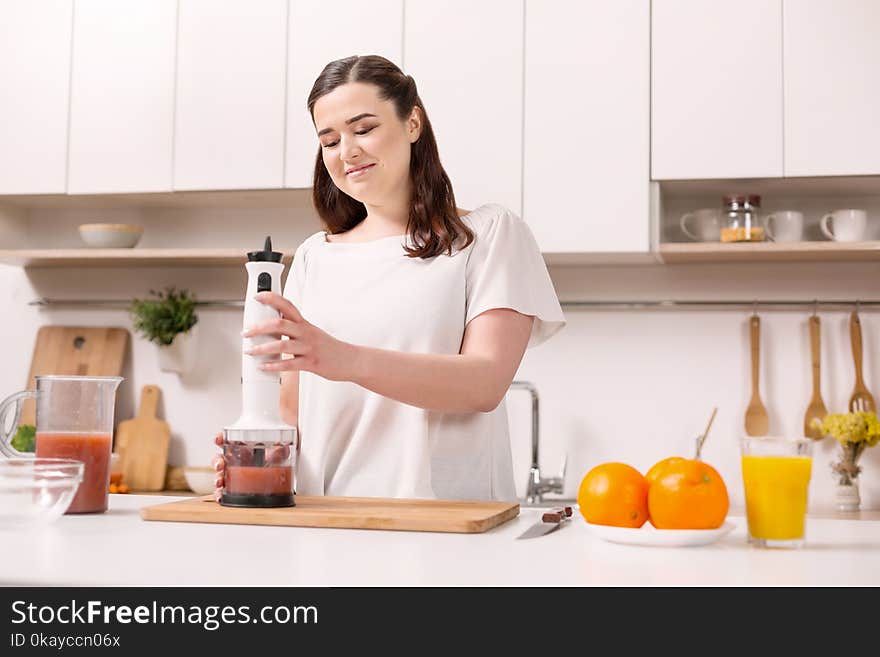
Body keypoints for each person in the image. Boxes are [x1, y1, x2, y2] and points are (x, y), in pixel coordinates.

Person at [214, 55, 565, 502]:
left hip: (447, 527)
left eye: (363, 129)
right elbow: (293, 409)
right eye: (330, 140)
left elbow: (484, 384)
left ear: (412, 123)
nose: (348, 151)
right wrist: (259, 454)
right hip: (329, 524)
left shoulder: (487, 234)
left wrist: (343, 359)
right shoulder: (311, 258)